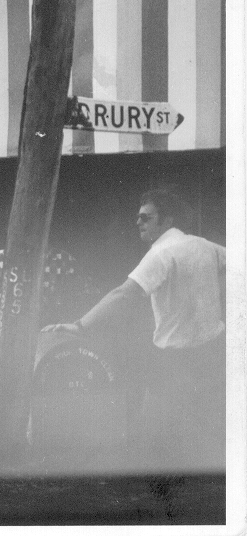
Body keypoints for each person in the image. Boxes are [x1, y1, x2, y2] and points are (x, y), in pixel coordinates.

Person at [41, 188, 226, 473]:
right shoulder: (206, 245)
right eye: (138, 217)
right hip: (212, 354)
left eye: (146, 218)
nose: (138, 222)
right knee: (205, 436)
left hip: (175, 361)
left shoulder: (162, 252)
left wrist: (80, 325)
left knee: (158, 442)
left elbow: (124, 295)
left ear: (167, 221)